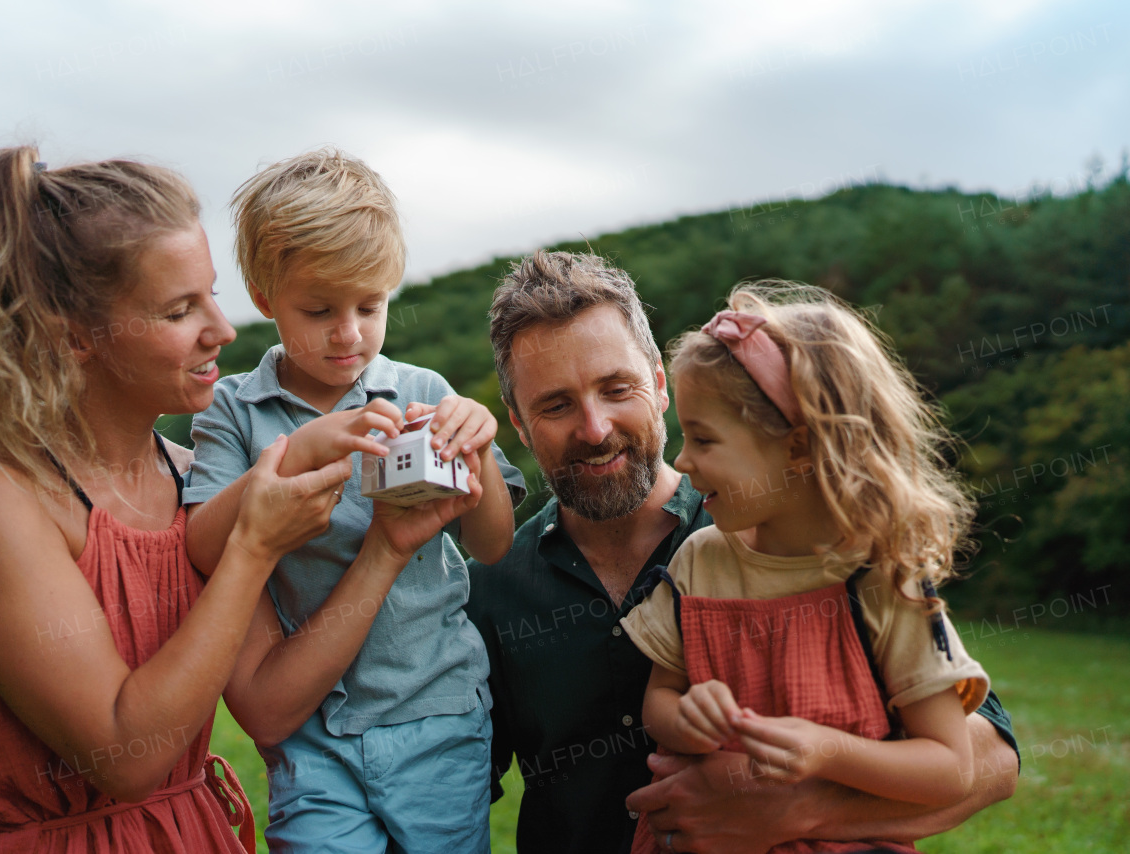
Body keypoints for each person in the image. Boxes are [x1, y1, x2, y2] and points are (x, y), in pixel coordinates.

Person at [466, 250, 1020, 854]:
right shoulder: (489, 591)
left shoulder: (785, 530)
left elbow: (991, 756)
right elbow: (447, 782)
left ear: (658, 384)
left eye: (616, 387)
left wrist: (803, 813)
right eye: (555, 404)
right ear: (518, 424)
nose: (595, 428)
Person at [0, 145, 368, 852]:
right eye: (181, 309)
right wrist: (253, 547)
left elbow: (269, 704)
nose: (223, 328)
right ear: (76, 336)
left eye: (212, 292)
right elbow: (126, 755)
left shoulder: (194, 481)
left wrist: (389, 531)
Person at [182, 148, 525, 852]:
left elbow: (492, 544)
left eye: (371, 306)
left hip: (440, 715)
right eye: (320, 310)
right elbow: (203, 545)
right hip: (314, 734)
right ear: (264, 294)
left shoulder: (422, 392)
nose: (349, 333)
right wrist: (300, 450)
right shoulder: (234, 414)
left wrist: (482, 453)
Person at [621, 284, 989, 853]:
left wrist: (828, 749)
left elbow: (950, 766)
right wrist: (685, 715)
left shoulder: (885, 579)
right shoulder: (700, 558)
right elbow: (659, 702)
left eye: (704, 438)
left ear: (798, 449)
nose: (682, 460)